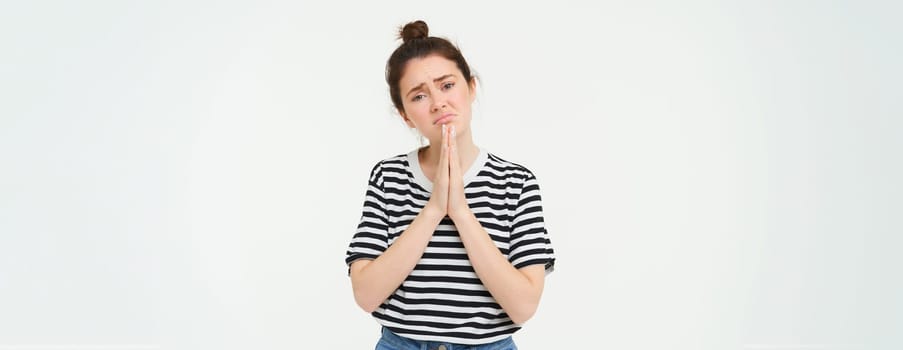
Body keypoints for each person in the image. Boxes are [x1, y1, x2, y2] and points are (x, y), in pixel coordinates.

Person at [345, 20, 556, 350]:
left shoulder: (517, 183)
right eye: (418, 95)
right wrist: (432, 210)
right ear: (404, 115)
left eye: (447, 85)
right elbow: (366, 294)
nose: (437, 102)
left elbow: (524, 305)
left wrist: (459, 211)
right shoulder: (388, 177)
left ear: (471, 88)